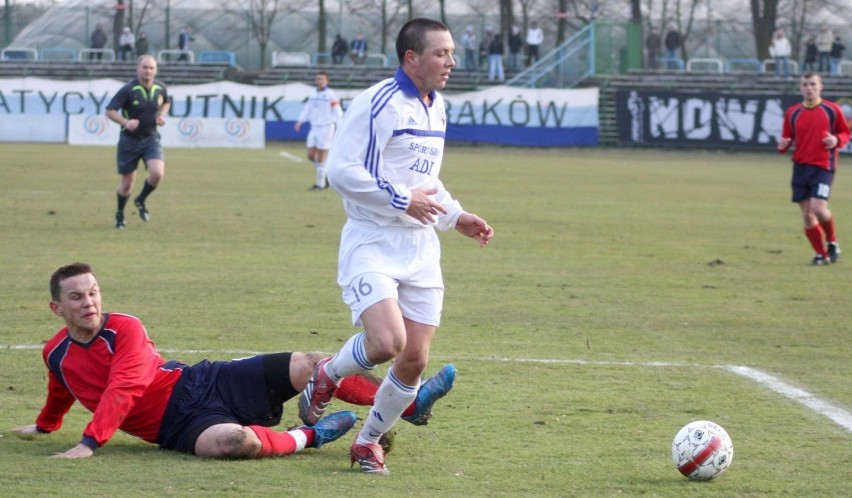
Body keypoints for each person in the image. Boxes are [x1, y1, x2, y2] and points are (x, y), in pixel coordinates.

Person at [300, 18, 494, 475]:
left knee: (415, 357)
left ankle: (367, 443)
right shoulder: (378, 102)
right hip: (372, 240)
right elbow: (342, 172)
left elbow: (425, 182)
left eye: (451, 53)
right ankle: (327, 373)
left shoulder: (437, 107)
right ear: (412, 58)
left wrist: (455, 216)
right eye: (441, 53)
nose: (451, 61)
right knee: (387, 342)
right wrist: (403, 200)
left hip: (421, 248)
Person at [10, 262, 455, 459]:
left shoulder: (124, 327)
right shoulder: (57, 353)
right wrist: (47, 425)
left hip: (204, 382)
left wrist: (90, 442)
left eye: (93, 292)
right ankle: (310, 437)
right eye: (76, 297)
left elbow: (125, 385)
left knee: (311, 363)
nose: (89, 302)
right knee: (233, 443)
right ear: (57, 308)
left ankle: (409, 405)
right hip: (177, 428)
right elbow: (61, 387)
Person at [777, 72, 850, 266]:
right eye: (805, 85)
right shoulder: (792, 112)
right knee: (807, 215)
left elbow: (845, 133)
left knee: (818, 208)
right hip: (800, 167)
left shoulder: (832, 110)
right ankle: (821, 255)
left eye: (812, 84)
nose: (809, 88)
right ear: (801, 88)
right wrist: (783, 145)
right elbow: (786, 139)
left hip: (823, 167)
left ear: (820, 87)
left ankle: (832, 241)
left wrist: (836, 140)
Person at [105, 55, 169, 229]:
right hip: (129, 141)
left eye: (151, 68)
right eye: (145, 67)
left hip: (151, 139)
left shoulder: (160, 87)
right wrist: (126, 123)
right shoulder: (128, 89)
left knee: (157, 173)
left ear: (155, 70)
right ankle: (120, 214)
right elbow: (110, 111)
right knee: (127, 183)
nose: (148, 71)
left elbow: (166, 103)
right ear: (138, 69)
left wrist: (161, 115)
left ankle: (141, 199)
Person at [294, 71, 344, 191]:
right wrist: (300, 121)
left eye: (321, 79)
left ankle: (320, 185)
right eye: (317, 79)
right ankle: (325, 174)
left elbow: (338, 111)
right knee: (311, 155)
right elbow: (308, 108)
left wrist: (341, 126)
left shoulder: (330, 94)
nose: (318, 81)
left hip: (326, 127)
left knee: (321, 155)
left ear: (327, 81)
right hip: (314, 127)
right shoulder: (313, 94)